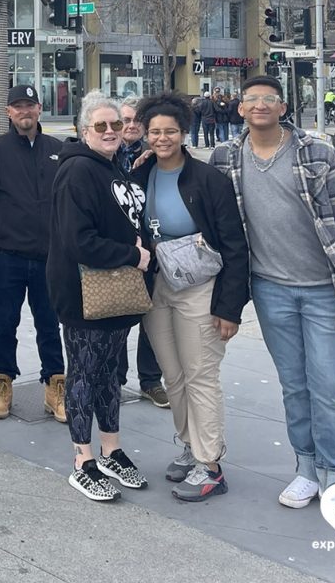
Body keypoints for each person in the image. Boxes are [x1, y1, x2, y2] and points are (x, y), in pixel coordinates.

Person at [211, 75, 335, 527]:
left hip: (325, 290)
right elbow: (189, 178)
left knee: (327, 386)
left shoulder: (316, 153)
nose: (260, 105)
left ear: (282, 108)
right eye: (251, 100)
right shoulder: (227, 156)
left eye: (269, 99)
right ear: (239, 108)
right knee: (294, 385)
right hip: (269, 288)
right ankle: (305, 469)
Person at [132, 92, 249, 501]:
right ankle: (190, 446)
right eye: (155, 132)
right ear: (145, 135)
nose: (162, 138)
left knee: (201, 375)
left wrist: (229, 307)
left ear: (184, 132)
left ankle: (211, 463)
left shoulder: (208, 179)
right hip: (159, 285)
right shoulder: (141, 174)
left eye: (170, 131)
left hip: (202, 287)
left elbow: (235, 244)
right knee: (173, 374)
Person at [47, 91, 150, 502]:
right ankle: (82, 460)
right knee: (84, 374)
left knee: (110, 374)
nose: (111, 131)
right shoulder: (78, 172)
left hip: (115, 291)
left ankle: (111, 448)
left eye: (117, 124)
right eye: (101, 126)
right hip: (83, 292)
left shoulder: (114, 168)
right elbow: (79, 241)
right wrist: (134, 254)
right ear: (84, 130)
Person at [0, 84, 66, 422]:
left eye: (30, 105)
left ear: (40, 109)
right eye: (18, 106)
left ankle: (55, 386)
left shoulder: (59, 149)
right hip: (8, 256)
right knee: (5, 323)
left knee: (50, 324)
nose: (25, 111)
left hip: (50, 257)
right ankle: (3, 384)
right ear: (9, 112)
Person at [116, 99, 167, 409]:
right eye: (125, 120)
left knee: (152, 316)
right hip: (120, 251)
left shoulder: (154, 158)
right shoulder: (105, 152)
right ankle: (116, 378)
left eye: (136, 121)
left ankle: (150, 380)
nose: (130, 125)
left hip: (151, 248)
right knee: (118, 314)